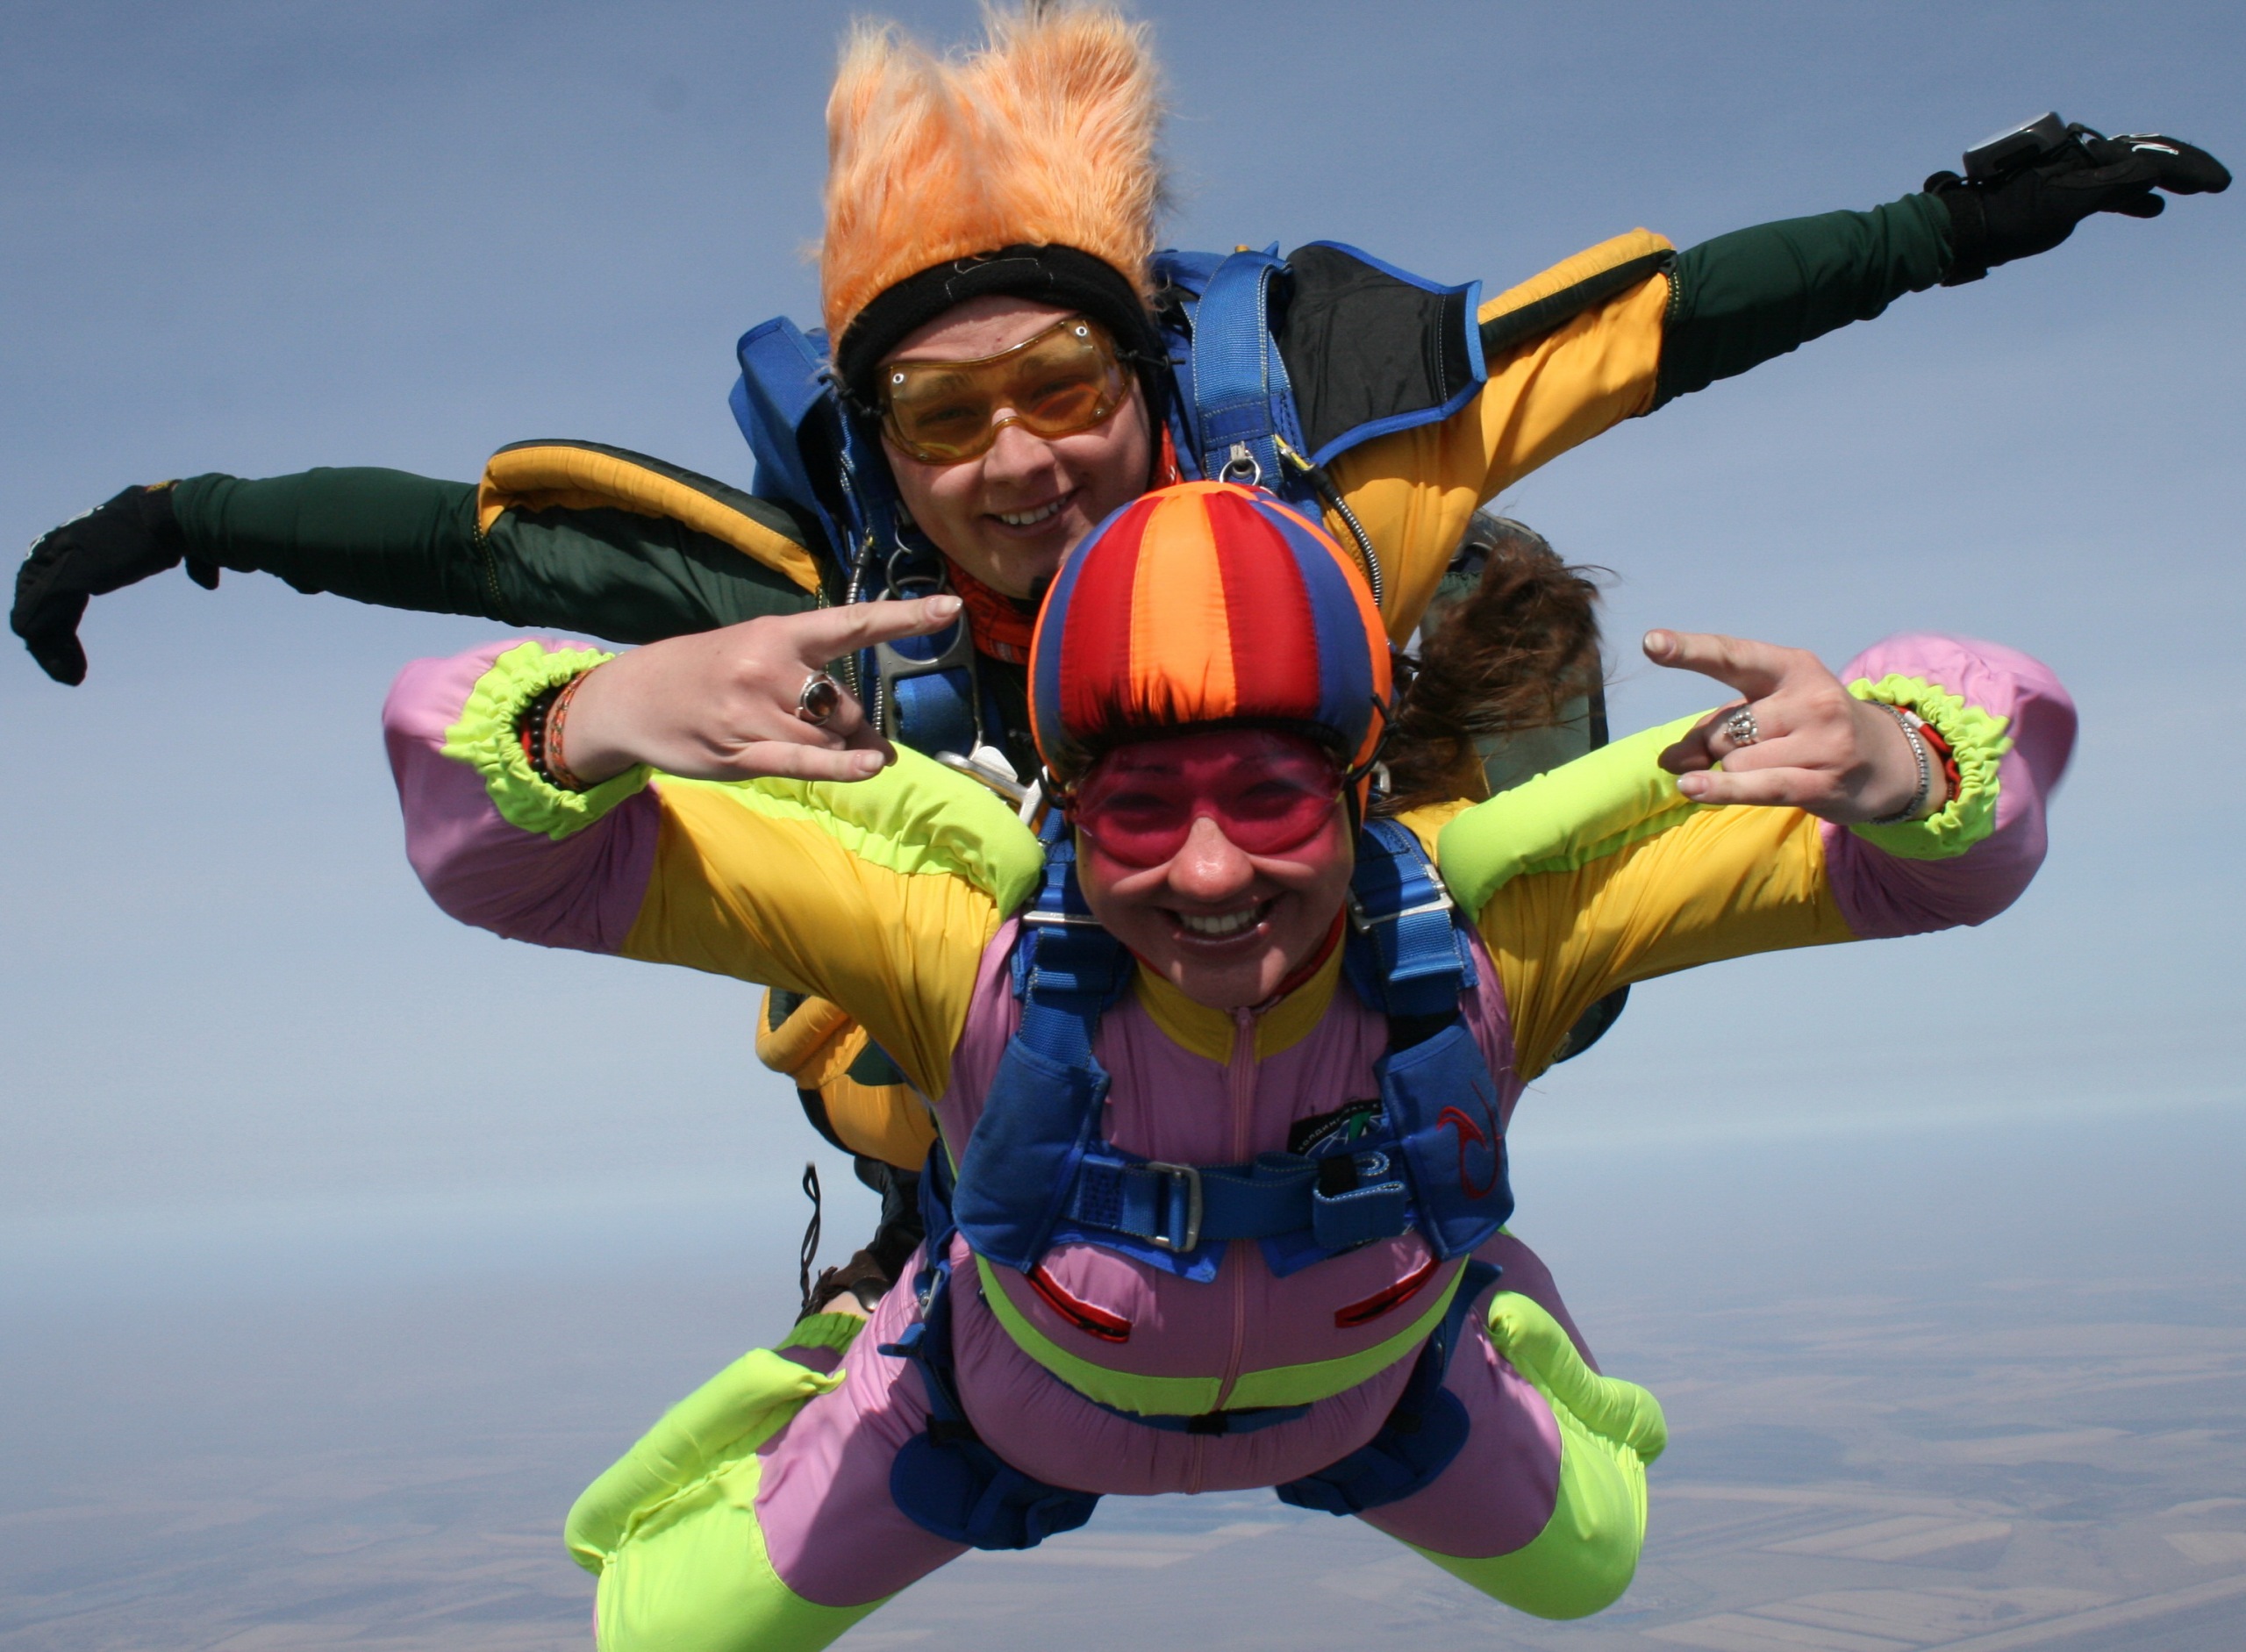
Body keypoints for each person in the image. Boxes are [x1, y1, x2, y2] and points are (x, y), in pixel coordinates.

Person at [18, 2, 2196, 1295]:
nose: (1021, 460)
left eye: (1062, 383)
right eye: (941, 416)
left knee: (1499, 603)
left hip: (1328, 946)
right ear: (879, 445)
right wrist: (188, 523)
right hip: (1001, 1045)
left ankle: (1405, 1202)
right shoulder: (821, 591)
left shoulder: (1341, 477)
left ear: (1149, 375)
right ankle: (937, 1227)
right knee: (878, 896)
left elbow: (1650, 327)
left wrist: (1948, 223)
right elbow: (481, 550)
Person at [381, 480, 2074, 1645]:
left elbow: (1943, 867)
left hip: (1378, 1391)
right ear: (1067, 813)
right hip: (995, 1402)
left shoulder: (1497, 943)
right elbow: (507, 863)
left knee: (1592, 1570)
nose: (1207, 871)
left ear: (1356, 789)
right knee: (654, 1634)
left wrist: (1914, 767)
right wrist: (582, 722)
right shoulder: (954, 946)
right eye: (1138, 808)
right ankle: (858, 1333)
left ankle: (1497, 1312)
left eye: (1266, 796)